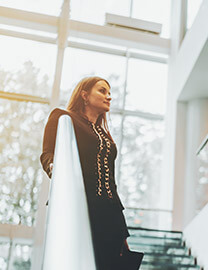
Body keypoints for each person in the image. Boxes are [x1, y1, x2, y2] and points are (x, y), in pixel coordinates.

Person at [40, 76, 136, 270]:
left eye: (109, 93)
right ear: (84, 95)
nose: (108, 97)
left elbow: (112, 183)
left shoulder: (104, 135)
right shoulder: (62, 117)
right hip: (79, 206)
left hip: (110, 215)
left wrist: (122, 231)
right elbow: (47, 154)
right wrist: (56, 170)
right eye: (102, 91)